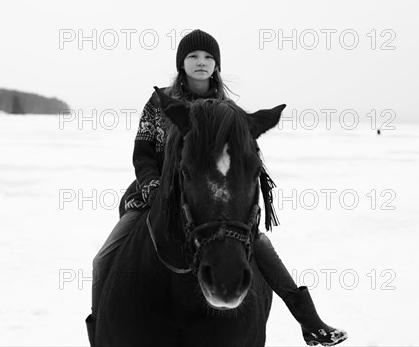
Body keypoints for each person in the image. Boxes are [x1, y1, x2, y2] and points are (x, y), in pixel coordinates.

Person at [88, 29, 348, 346]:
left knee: (260, 247)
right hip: (154, 196)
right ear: (181, 63)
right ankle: (99, 330)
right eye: (193, 56)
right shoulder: (160, 104)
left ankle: (309, 321)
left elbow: (237, 161)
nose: (201, 63)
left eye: (209, 57)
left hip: (213, 199)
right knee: (103, 259)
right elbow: (143, 153)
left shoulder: (227, 109)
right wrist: (152, 185)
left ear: (217, 65)